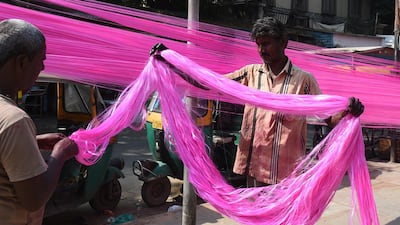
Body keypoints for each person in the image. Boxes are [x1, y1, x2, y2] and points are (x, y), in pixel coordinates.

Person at [225, 17, 364, 187]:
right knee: (255, 213)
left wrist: (347, 111)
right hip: (254, 170)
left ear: (283, 42)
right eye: (259, 44)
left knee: (283, 214)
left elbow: (329, 119)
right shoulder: (250, 73)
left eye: (267, 43)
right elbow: (213, 83)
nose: (261, 50)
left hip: (286, 176)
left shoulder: (304, 81)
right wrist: (186, 71)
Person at [0, 19, 78, 225]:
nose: (42, 68)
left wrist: (31, 141)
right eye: (41, 61)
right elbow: (34, 198)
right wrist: (60, 153)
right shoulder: (14, 120)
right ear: (22, 62)